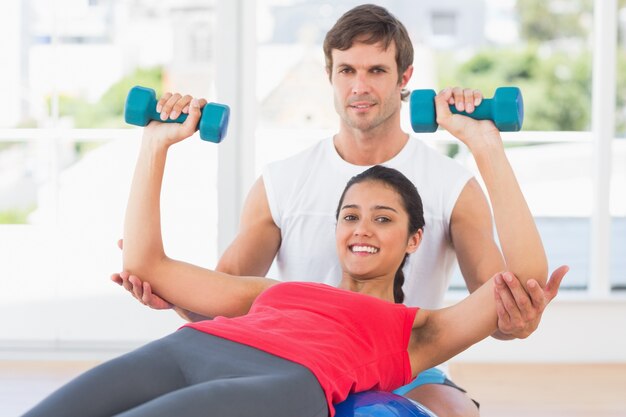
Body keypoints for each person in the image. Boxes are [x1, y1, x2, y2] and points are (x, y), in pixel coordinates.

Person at [112, 4, 563, 416]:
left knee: (455, 411)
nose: (359, 86)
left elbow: (502, 306)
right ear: (329, 74)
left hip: (408, 362)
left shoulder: (452, 185)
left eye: (376, 71)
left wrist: (518, 317)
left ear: (405, 78)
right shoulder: (282, 181)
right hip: (295, 355)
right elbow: (221, 305)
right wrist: (171, 291)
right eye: (346, 69)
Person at [25, 94, 566, 417]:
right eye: (350, 216)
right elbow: (146, 264)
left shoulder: (420, 329)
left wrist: (484, 143)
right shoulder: (275, 293)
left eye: (384, 219)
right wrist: (156, 144)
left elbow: (522, 277)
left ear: (414, 239)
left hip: (289, 381)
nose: (362, 229)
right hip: (191, 348)